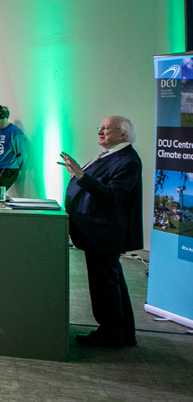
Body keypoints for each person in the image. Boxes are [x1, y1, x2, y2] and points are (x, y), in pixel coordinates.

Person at [60, 116, 143, 349]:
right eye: (100, 127)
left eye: (106, 129)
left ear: (123, 134)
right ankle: (123, 331)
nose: (100, 132)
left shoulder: (127, 161)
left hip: (105, 233)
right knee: (112, 281)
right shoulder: (111, 155)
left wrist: (81, 176)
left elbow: (112, 196)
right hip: (95, 231)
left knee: (104, 285)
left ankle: (111, 333)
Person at [0, 105, 27, 190]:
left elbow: (22, 152)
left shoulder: (14, 131)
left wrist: (19, 168)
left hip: (8, 169)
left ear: (1, 115)